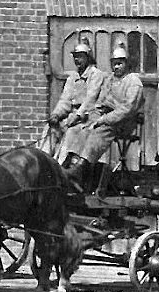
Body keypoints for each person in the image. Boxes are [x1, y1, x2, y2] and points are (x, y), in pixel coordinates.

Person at [62, 43, 145, 193]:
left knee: (102, 128)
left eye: (120, 63)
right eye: (114, 64)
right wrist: (93, 115)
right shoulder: (110, 79)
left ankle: (81, 167)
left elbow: (127, 109)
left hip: (125, 121)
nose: (116, 67)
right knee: (85, 124)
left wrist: (104, 119)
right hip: (108, 115)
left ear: (127, 63)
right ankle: (75, 166)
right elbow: (102, 99)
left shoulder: (134, 82)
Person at [48, 40, 105, 158]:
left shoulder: (96, 75)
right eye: (75, 57)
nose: (77, 60)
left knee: (71, 133)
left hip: (89, 117)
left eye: (80, 56)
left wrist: (78, 115)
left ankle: (61, 167)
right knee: (50, 130)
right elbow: (65, 100)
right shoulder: (72, 78)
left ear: (88, 57)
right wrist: (56, 115)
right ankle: (46, 162)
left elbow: (90, 99)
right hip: (72, 117)